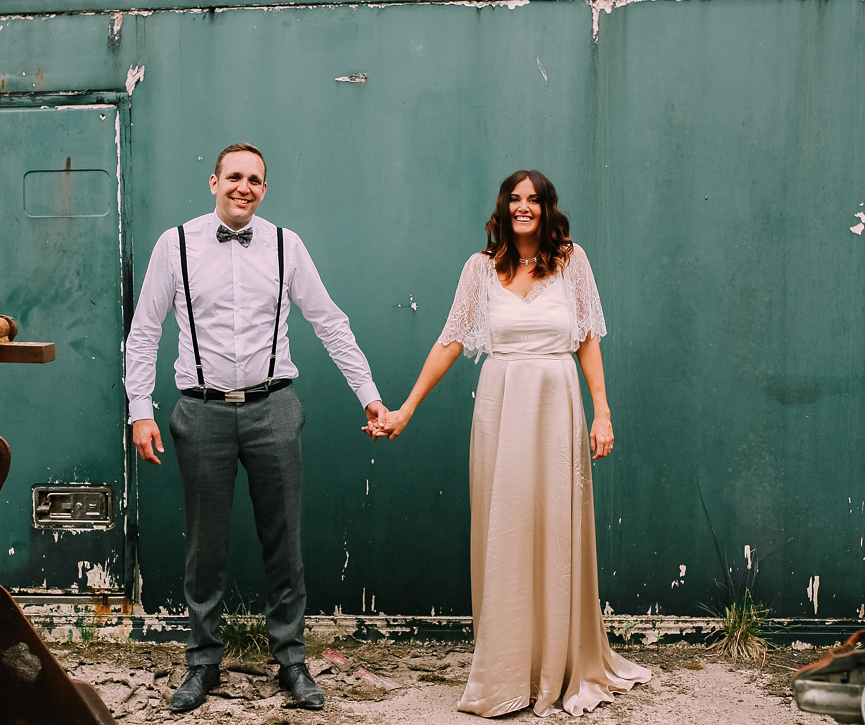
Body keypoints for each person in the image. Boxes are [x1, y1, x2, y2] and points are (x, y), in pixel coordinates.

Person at [373, 170, 650, 717]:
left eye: (534, 200)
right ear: (503, 207)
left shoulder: (573, 261)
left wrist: (603, 412)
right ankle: (506, 666)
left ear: (548, 208)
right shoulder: (480, 269)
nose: (524, 207)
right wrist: (405, 408)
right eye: (515, 199)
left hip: (556, 401)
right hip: (499, 406)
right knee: (505, 526)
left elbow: (587, 339)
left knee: (553, 523)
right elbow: (450, 341)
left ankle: (558, 663)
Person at [125, 143, 388, 714]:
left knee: (284, 540)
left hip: (275, 407)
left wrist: (368, 395)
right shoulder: (176, 245)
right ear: (214, 181)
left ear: (264, 189)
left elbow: (330, 322)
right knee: (204, 546)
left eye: (256, 180)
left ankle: (291, 660)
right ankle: (202, 662)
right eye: (235, 177)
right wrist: (140, 409)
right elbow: (144, 331)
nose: (244, 187)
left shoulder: (285, 245)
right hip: (200, 410)